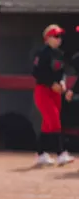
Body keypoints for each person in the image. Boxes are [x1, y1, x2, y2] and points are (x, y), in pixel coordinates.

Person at [32, 24, 74, 166]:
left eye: (59, 36)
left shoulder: (60, 54)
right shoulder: (42, 53)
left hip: (55, 93)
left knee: (48, 125)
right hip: (43, 91)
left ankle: (40, 154)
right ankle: (61, 153)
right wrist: (51, 84)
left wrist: (62, 82)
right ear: (47, 38)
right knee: (54, 119)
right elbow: (36, 73)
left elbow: (62, 73)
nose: (59, 39)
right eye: (55, 36)